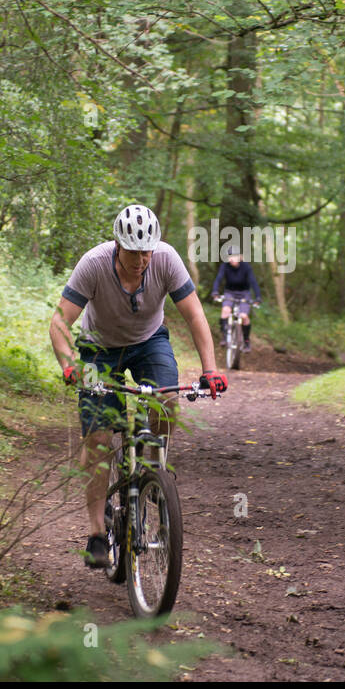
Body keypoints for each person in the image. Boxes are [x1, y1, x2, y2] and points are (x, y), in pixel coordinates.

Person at [49, 203, 226, 569]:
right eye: (134, 252)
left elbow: (194, 314)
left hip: (149, 342)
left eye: (147, 251)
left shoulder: (166, 259)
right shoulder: (94, 264)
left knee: (166, 402)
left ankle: (151, 471)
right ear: (118, 245)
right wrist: (70, 365)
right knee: (98, 440)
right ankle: (97, 531)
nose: (142, 259)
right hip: (99, 350)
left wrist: (211, 369)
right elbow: (60, 322)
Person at [210, 244, 262, 352]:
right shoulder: (225, 266)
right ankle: (224, 336)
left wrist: (258, 297)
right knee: (225, 311)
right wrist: (215, 292)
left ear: (240, 257)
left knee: (243, 316)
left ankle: (246, 341)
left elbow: (253, 282)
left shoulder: (246, 267)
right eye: (230, 256)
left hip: (244, 293)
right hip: (230, 292)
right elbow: (218, 279)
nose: (232, 259)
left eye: (235, 256)